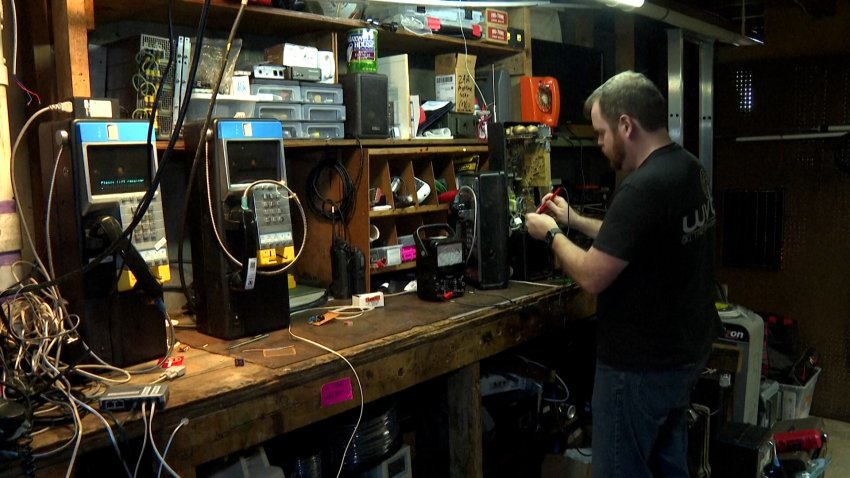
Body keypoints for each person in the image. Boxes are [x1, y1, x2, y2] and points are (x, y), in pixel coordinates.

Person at [525, 71, 722, 477]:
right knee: (669, 466)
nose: (599, 143)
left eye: (601, 132)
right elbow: (636, 238)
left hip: (639, 368)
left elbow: (593, 276)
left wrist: (551, 235)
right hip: (683, 356)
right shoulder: (689, 169)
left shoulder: (641, 188)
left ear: (626, 125)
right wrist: (574, 220)